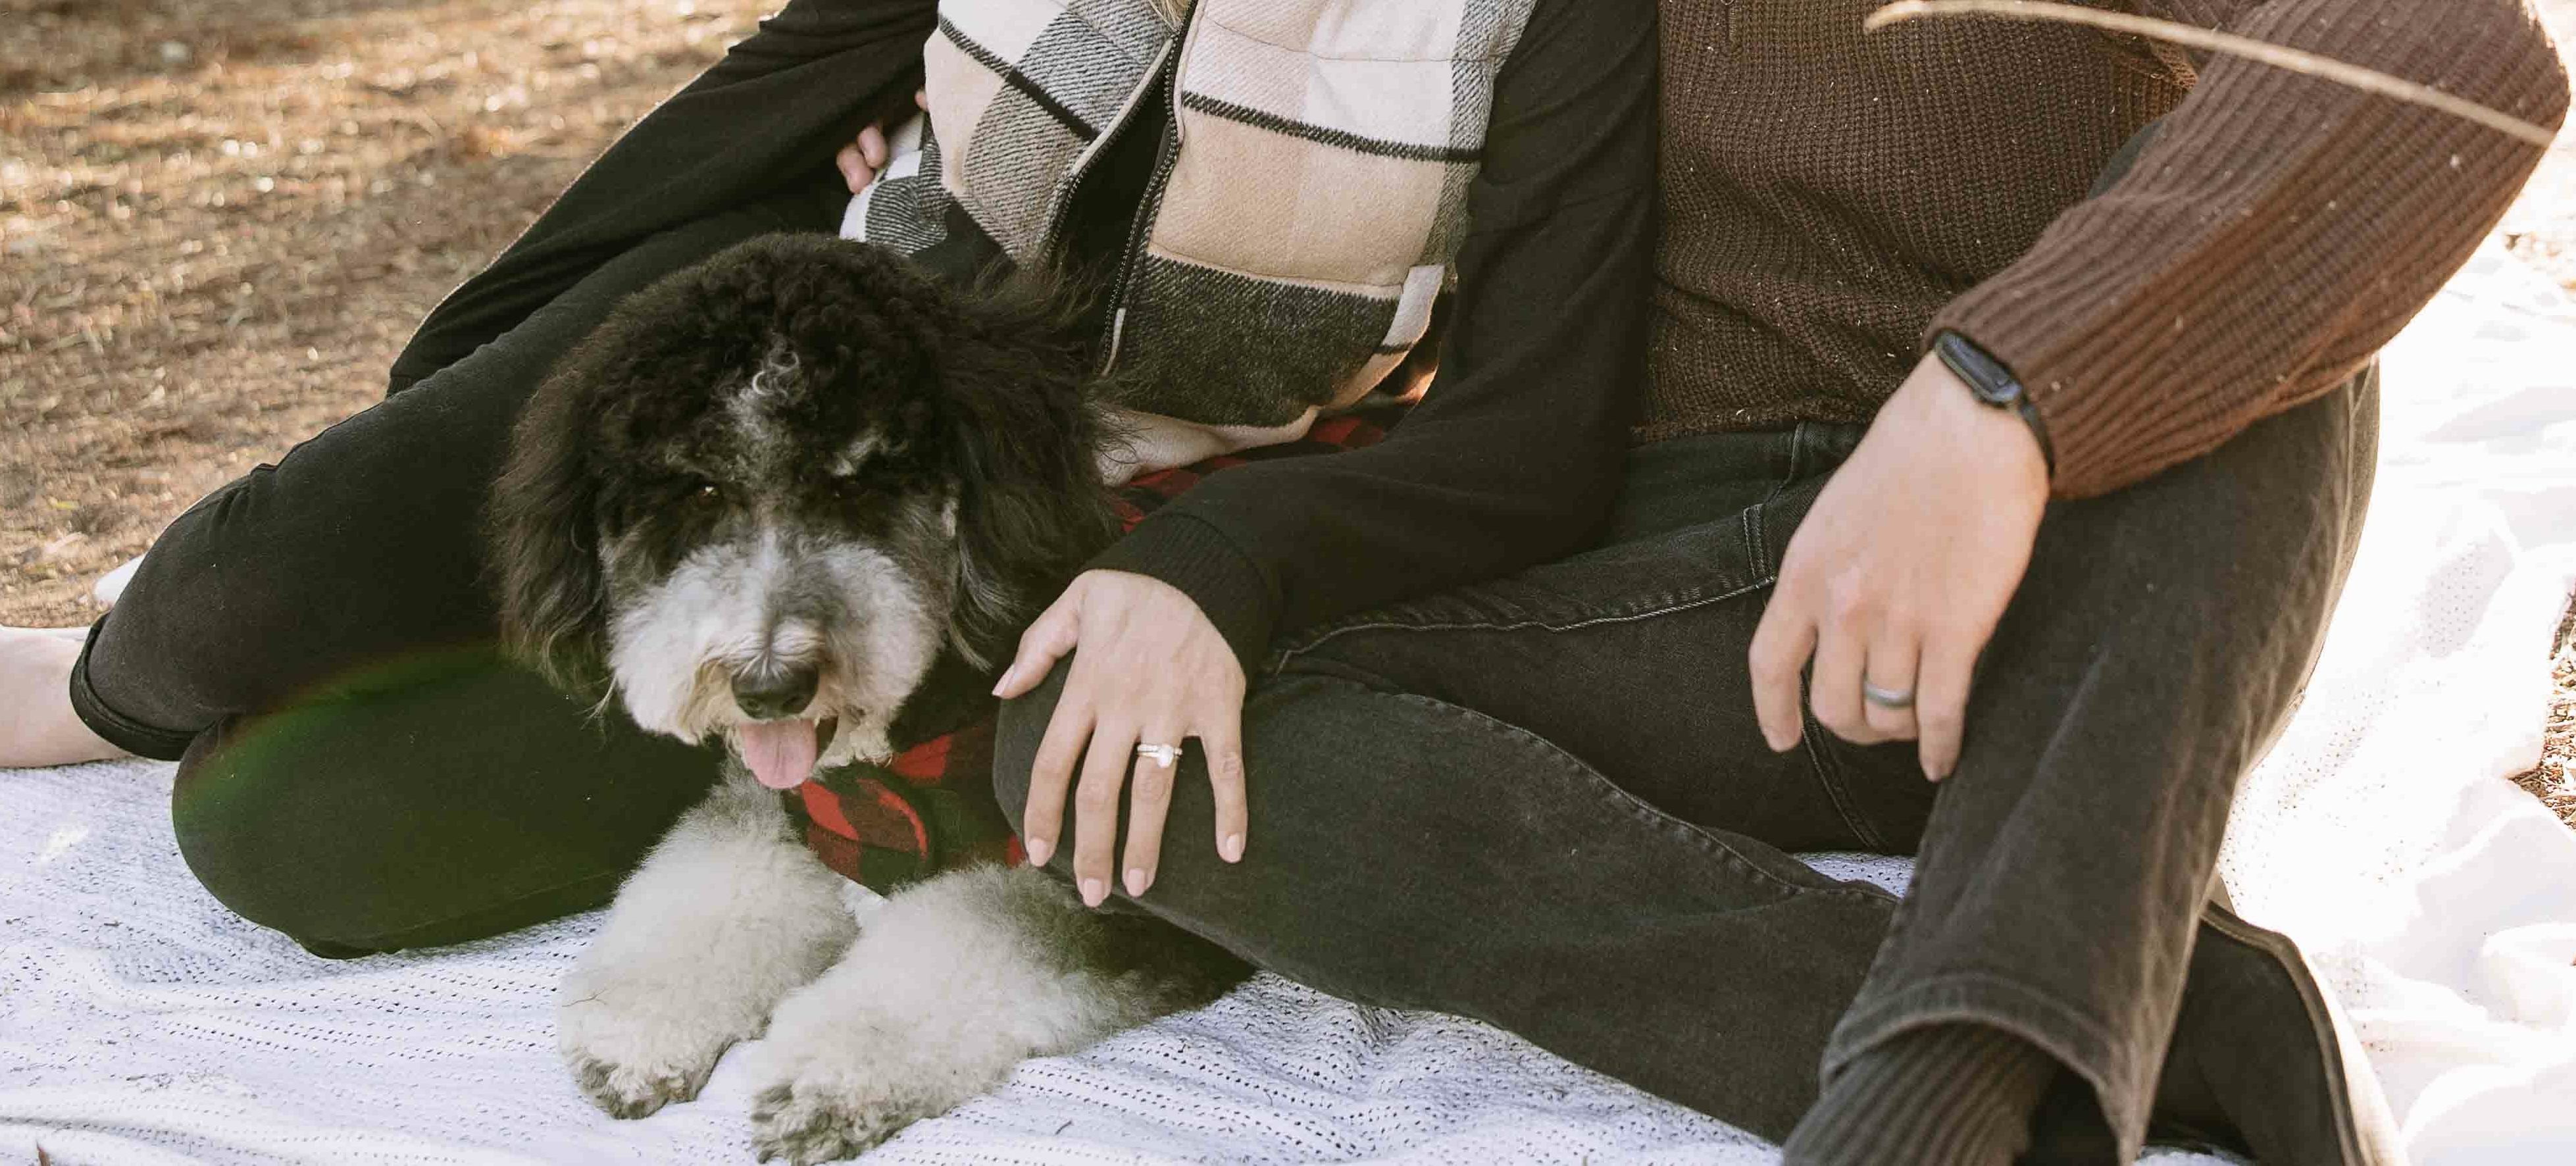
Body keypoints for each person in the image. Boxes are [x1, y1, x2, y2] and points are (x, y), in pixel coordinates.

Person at [988, 1, 2571, 1164]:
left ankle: (1956, 1069)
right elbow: (1484, 398)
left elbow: (2452, 51)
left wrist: (1996, 395)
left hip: (2067, 561)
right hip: (1720, 622)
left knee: (2262, 261)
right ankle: (2179, 1035)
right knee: (1099, 731)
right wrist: (1205, 559)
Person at [0, 0, 1658, 961]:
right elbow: (796, 75)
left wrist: (1220, 561)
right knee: (245, 590)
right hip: (816, 305)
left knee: (295, 832)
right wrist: (458, 390)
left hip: (1058, 506)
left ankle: (733, 733)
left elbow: (1533, 433)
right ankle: (95, 689)